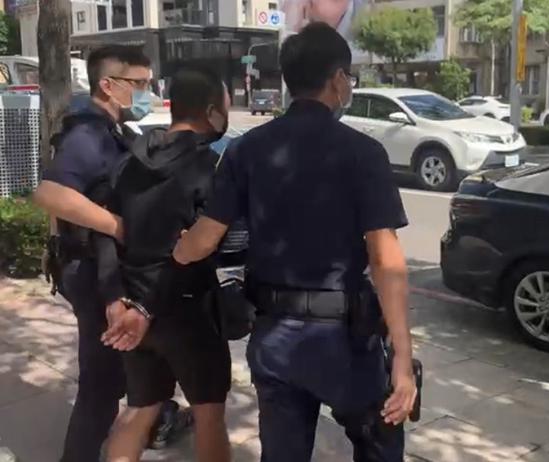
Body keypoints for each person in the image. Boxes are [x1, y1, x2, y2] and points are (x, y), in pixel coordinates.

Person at [173, 22, 416, 461]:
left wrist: (178, 247)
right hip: (345, 343)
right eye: (349, 78)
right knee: (379, 443)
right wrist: (401, 355)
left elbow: (204, 240)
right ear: (337, 80)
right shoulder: (364, 153)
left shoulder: (246, 149)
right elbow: (385, 259)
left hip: (275, 340)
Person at [32, 45, 188, 462]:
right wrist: (119, 227)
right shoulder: (88, 135)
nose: (147, 92)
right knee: (100, 386)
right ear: (107, 85)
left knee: (119, 373)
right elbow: (50, 194)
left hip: (104, 272)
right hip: (94, 276)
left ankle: (149, 421)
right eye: (139, 83)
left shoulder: (112, 131)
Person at [97, 65, 233, 462]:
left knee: (140, 410)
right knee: (209, 416)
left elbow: (105, 231)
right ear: (211, 111)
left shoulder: (129, 161)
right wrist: (146, 308)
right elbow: (199, 247)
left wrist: (116, 298)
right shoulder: (210, 168)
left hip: (131, 310)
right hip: (188, 311)